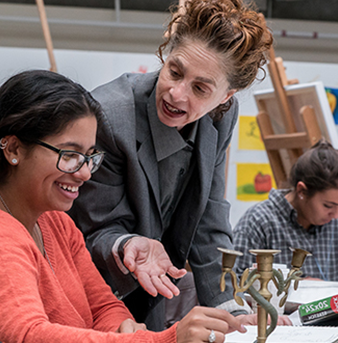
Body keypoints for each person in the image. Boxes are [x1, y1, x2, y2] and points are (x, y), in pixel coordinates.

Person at [0, 69, 248, 343]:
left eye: (89, 157)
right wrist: (165, 340)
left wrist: (122, 327)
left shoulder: (57, 223)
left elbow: (103, 306)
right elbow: (23, 334)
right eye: (69, 155)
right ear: (13, 149)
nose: (84, 173)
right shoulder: (5, 234)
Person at [69, 0, 274, 331]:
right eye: (174, 72)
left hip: (156, 290)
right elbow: (92, 230)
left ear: (226, 96)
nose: (176, 94)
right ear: (165, 56)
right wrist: (126, 244)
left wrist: (229, 310)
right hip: (97, 295)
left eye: (200, 88)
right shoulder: (109, 116)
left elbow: (208, 214)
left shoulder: (222, 118)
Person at [233, 139, 338, 282]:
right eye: (328, 206)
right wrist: (295, 289)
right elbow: (233, 284)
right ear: (302, 191)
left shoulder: (333, 224)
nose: (335, 216)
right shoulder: (259, 222)